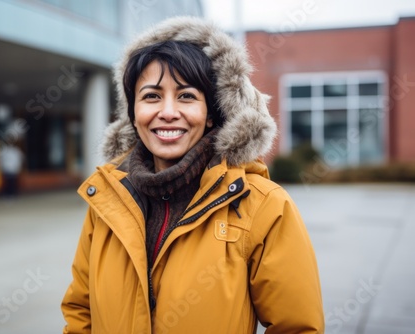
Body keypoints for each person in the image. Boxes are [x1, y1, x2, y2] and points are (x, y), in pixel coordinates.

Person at [62, 16, 324, 333]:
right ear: (133, 114)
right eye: (151, 96)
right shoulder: (106, 201)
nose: (168, 112)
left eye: (186, 96)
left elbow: (297, 327)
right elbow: (80, 312)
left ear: (212, 115)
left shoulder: (264, 207)